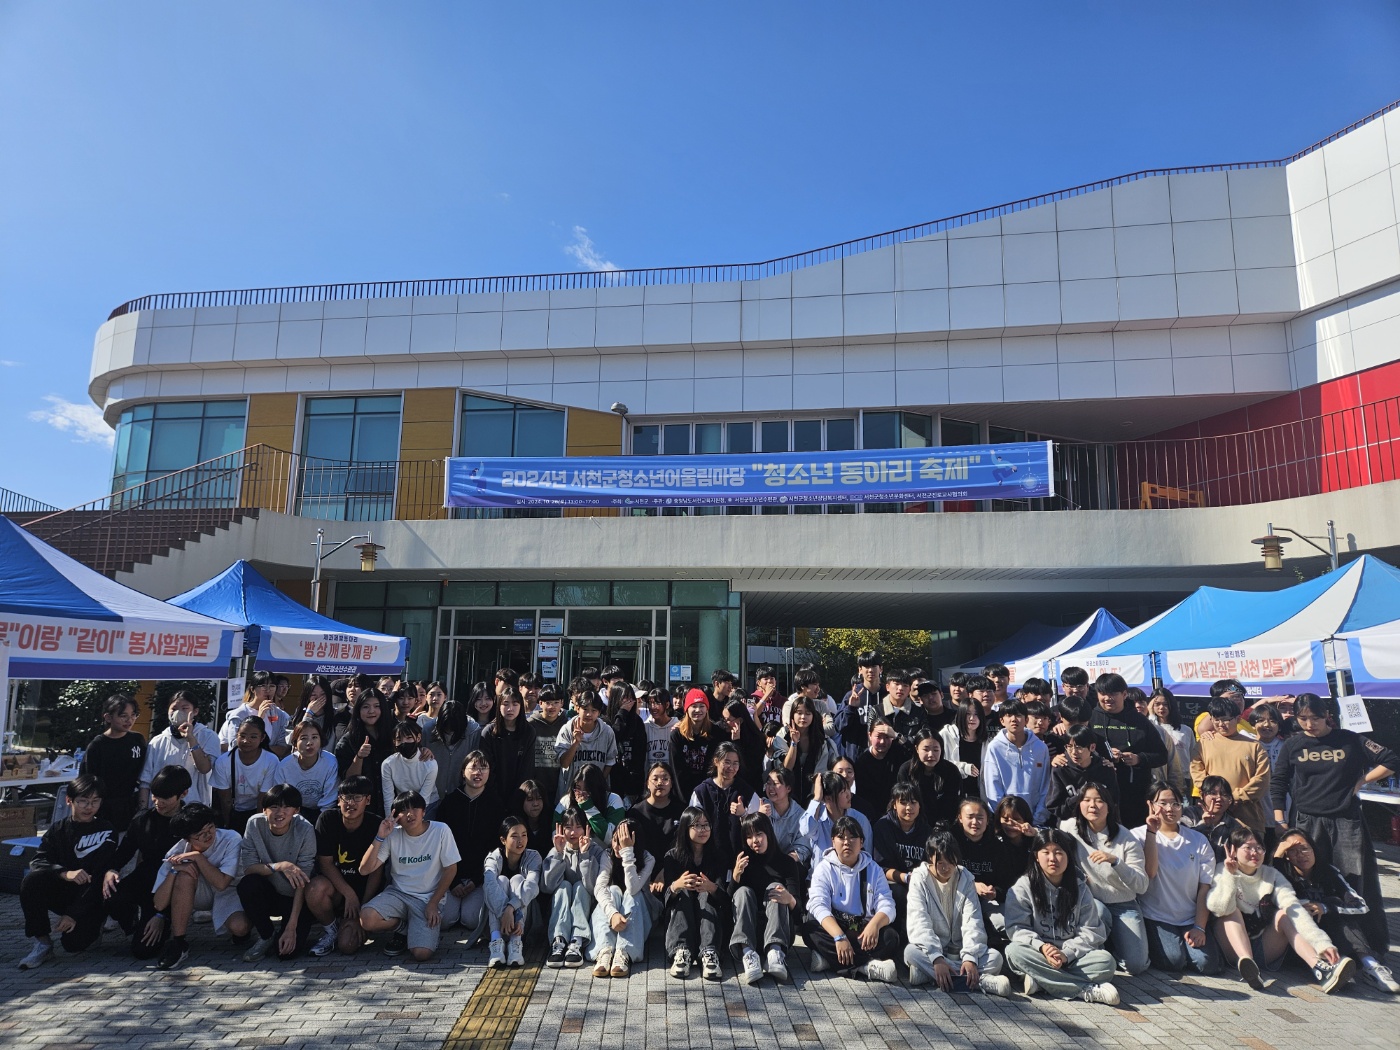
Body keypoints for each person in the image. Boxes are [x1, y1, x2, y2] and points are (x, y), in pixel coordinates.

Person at [1270, 691, 1396, 960]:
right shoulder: (1293, 745)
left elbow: (1390, 760)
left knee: (1353, 882)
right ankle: (1312, 944)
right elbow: (1278, 783)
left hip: (1346, 822)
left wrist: (1362, 781)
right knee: (1307, 879)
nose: (1309, 724)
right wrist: (1280, 820)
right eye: (1303, 718)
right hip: (1305, 821)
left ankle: (1364, 946)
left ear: (1327, 716)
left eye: (1315, 718)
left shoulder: (1349, 740)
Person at [1208, 824, 1351, 993]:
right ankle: (1248, 965)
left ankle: (1320, 969)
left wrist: (1322, 943)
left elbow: (1294, 908)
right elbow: (1219, 908)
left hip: (1263, 946)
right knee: (1232, 911)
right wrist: (1231, 876)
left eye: (1259, 848)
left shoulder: (1272, 875)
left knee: (1284, 914)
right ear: (1233, 850)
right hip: (1233, 949)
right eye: (1248, 847)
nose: (1254, 853)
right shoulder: (1221, 870)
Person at [1273, 827, 1399, 994]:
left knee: (1333, 904)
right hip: (1300, 943)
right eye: (1293, 851)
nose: (1301, 854)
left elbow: (1360, 906)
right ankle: (1330, 967)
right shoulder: (1281, 873)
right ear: (1286, 856)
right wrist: (1277, 855)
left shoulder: (1329, 872)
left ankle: (1371, 966)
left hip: (1335, 934)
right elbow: (1269, 890)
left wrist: (1326, 908)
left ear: (1314, 849)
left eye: (1304, 848)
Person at [1003, 828, 1120, 1004]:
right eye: (1046, 852)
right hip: (1039, 953)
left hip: (1073, 957)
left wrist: (1066, 954)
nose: (1052, 859)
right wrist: (1042, 947)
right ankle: (1084, 990)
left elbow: (1091, 931)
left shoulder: (1080, 888)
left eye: (1059, 852)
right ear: (1036, 856)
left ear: (1068, 856)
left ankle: (1042, 982)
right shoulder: (1022, 887)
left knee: (1106, 962)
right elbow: (1017, 928)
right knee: (1013, 951)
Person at [17, 776, 118, 970]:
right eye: (83, 801)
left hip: (92, 896)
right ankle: (43, 943)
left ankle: (95, 925)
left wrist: (73, 914)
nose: (89, 807)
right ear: (69, 800)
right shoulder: (57, 829)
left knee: (74, 945)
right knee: (31, 881)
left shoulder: (107, 830)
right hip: (64, 890)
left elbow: (99, 876)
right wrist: (64, 873)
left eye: (95, 801)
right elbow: (38, 862)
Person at [905, 826, 1013, 996]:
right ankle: (980, 981)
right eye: (940, 863)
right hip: (934, 950)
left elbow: (973, 921)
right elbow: (918, 920)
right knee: (911, 952)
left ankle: (931, 976)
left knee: (995, 958)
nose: (946, 868)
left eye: (951, 862)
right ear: (930, 859)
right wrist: (936, 958)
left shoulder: (966, 878)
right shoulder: (919, 878)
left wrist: (970, 957)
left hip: (960, 950)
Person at [102, 765, 191, 962]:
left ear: (183, 793)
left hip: (171, 884)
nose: (158, 802)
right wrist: (111, 869)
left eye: (165, 798)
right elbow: (125, 851)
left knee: (143, 952)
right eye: (155, 796)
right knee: (111, 896)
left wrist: (161, 916)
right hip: (145, 876)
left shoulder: (190, 820)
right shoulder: (143, 819)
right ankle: (134, 923)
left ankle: (161, 923)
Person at [359, 791, 461, 963]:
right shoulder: (393, 835)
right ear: (396, 816)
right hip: (398, 894)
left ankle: (416, 931)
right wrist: (380, 836)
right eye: (403, 810)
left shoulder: (441, 830)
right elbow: (364, 869)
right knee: (367, 918)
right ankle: (403, 928)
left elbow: (451, 869)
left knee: (422, 954)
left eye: (415, 808)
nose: (409, 814)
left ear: (424, 810)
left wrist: (433, 903)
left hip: (428, 898)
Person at [1059, 784, 1149, 975]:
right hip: (1091, 902)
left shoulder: (1126, 838)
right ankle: (1097, 955)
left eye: (1100, 800)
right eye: (1087, 800)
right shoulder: (1069, 827)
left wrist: (1116, 862)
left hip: (1124, 905)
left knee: (1136, 966)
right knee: (1098, 911)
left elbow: (1142, 885)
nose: (1093, 805)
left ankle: (1113, 948)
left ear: (1110, 807)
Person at [1133, 782, 1219, 975]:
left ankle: (1186, 946)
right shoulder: (1138, 835)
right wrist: (1152, 832)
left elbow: (1205, 888)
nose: (1169, 809)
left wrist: (1199, 927)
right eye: (1162, 803)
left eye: (1176, 803)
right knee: (1173, 962)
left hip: (1189, 917)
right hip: (1156, 916)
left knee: (1207, 964)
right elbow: (1150, 872)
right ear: (1151, 805)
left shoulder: (1198, 840)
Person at [226, 783, 317, 962]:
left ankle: (287, 930)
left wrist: (291, 927)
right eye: (274, 807)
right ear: (264, 809)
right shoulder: (254, 823)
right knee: (248, 884)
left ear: (296, 811)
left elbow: (302, 881)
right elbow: (249, 867)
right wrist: (280, 865)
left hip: (297, 897)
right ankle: (266, 935)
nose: (279, 813)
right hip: (271, 893)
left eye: (286, 807)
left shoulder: (305, 829)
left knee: (286, 954)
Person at [148, 802, 243, 970]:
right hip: (200, 893)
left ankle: (241, 934)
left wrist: (198, 857)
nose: (208, 836)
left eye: (211, 828)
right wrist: (175, 870)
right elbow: (159, 903)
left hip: (230, 890)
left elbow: (222, 883)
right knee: (183, 875)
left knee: (240, 928)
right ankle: (179, 942)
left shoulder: (231, 838)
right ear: (187, 838)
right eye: (200, 834)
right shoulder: (177, 852)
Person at [805, 815, 899, 982]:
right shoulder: (824, 868)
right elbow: (818, 905)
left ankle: (830, 960)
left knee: (890, 937)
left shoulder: (873, 869)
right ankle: (866, 967)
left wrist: (874, 926)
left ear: (861, 842)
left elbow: (887, 904)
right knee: (809, 929)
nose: (847, 842)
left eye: (852, 837)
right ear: (833, 841)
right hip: (836, 927)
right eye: (841, 837)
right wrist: (839, 937)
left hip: (862, 929)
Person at [307, 776, 383, 957]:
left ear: (368, 800)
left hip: (365, 893)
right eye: (346, 797)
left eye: (358, 797)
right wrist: (349, 894)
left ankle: (349, 927)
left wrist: (362, 908)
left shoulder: (376, 824)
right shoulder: (327, 819)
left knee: (347, 946)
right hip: (337, 890)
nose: (351, 803)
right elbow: (325, 864)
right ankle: (331, 929)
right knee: (314, 888)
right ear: (338, 799)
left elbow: (376, 871)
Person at [436, 751, 504, 946]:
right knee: (445, 920)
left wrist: (476, 880)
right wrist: (453, 881)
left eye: (483, 768)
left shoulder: (495, 804)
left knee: (472, 919)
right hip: (450, 876)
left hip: (478, 878)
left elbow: (495, 848)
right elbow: (439, 846)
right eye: (473, 767)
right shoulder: (449, 803)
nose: (478, 772)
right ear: (462, 772)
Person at [729, 811, 802, 984]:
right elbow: (728, 902)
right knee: (743, 891)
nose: (755, 840)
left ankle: (775, 953)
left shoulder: (787, 863)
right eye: (749, 836)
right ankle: (748, 954)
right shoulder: (743, 862)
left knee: (775, 889)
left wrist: (789, 899)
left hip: (780, 933)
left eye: (759, 834)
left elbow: (800, 911)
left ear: (768, 833)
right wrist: (735, 877)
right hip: (750, 932)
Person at [1088, 673, 1168, 827]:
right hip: (1099, 793)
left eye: (1113, 694)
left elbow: (1162, 755)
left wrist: (1138, 758)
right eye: (1103, 694)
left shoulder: (1140, 721)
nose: (1107, 698)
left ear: (1124, 694)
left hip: (1134, 794)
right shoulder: (1091, 718)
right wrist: (1103, 757)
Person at [663, 806, 729, 980]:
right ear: (686, 829)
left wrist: (711, 887)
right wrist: (676, 885)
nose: (703, 830)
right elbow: (665, 898)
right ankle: (681, 951)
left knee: (706, 894)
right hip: (681, 912)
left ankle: (710, 952)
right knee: (683, 891)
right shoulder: (673, 856)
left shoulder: (718, 856)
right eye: (697, 825)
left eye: (706, 825)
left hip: (709, 911)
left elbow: (725, 896)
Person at [1191, 696, 1272, 836]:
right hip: (1212, 815)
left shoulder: (1254, 746)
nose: (1221, 724)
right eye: (1216, 719)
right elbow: (1196, 772)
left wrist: (1234, 797)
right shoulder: (1203, 744)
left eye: (1226, 719)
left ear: (1238, 719)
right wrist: (1216, 796)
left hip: (1248, 818)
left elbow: (1262, 780)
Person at [589, 819, 655, 978]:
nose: (618, 846)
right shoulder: (608, 855)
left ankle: (624, 952)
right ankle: (605, 950)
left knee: (632, 894)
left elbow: (633, 887)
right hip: (614, 916)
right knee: (612, 890)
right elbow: (599, 886)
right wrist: (612, 913)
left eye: (623, 841)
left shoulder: (647, 859)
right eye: (615, 840)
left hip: (640, 914)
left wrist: (627, 853)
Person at [544, 807, 607, 969]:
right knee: (564, 886)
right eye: (568, 827)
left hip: (587, 908)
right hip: (561, 908)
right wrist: (558, 854)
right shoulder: (557, 849)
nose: (573, 833)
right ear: (561, 829)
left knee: (580, 886)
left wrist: (585, 856)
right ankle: (559, 941)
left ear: (586, 828)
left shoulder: (596, 850)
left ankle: (576, 940)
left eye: (578, 827)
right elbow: (547, 887)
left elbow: (593, 888)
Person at [79, 694, 148, 834]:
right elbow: (88, 781)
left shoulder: (138, 740)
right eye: (123, 716)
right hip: (104, 809)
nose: (129, 720)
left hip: (130, 806)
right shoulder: (97, 745)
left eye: (133, 715)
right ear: (108, 717)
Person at [483, 815, 542, 969]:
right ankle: (496, 943)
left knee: (517, 879)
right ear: (503, 840)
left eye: (524, 835)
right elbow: (489, 885)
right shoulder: (493, 858)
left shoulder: (533, 857)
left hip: (522, 923)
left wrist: (511, 909)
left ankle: (516, 942)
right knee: (500, 880)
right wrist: (505, 913)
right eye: (514, 836)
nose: (520, 841)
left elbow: (532, 886)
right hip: (497, 922)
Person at [141, 691, 219, 807]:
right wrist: (143, 809)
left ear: (195, 711)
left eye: (184, 708)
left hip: (192, 807)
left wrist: (191, 739)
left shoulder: (207, 736)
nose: (178, 712)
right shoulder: (158, 741)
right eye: (174, 708)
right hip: (160, 808)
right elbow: (145, 780)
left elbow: (204, 768)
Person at [872, 781, 930, 928]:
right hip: (891, 881)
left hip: (919, 881)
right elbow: (881, 868)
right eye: (903, 803)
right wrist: (906, 877)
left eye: (913, 802)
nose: (909, 807)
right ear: (894, 805)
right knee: (899, 894)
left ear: (919, 805)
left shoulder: (926, 830)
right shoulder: (883, 827)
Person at [982, 701, 1051, 824]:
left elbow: (1045, 785)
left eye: (1018, 715)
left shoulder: (1040, 748)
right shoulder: (994, 747)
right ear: (1002, 720)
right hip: (1006, 821)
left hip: (1036, 819)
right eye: (1009, 715)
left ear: (1026, 719)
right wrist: (1004, 818)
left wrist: (1039, 818)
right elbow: (992, 786)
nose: (1014, 719)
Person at [210, 715, 280, 833]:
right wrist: (227, 825)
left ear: (262, 738)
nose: (246, 741)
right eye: (242, 736)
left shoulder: (271, 760)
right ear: (236, 734)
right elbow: (225, 799)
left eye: (253, 737)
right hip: (232, 811)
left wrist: (256, 827)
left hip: (259, 811)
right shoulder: (223, 761)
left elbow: (263, 798)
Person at [689, 741, 753, 867]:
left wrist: (743, 814)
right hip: (708, 861)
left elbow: (757, 826)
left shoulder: (746, 791)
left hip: (739, 861)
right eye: (727, 762)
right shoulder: (701, 791)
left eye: (735, 763)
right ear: (716, 761)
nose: (731, 767)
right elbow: (691, 825)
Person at [333, 689, 396, 815]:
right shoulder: (348, 740)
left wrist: (423, 750)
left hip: (392, 803)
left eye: (376, 706)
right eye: (365, 707)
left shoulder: (393, 734)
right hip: (362, 809)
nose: (371, 711)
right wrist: (359, 756)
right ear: (358, 710)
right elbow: (347, 779)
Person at [950, 798, 1005, 941]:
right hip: (955, 896)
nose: (975, 822)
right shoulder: (949, 842)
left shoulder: (997, 846)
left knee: (1004, 923)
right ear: (960, 818)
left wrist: (994, 893)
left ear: (988, 820)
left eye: (980, 818)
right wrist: (972, 885)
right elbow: (941, 875)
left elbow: (1005, 883)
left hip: (987, 901)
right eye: (970, 817)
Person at [769, 695, 837, 807]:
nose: (803, 717)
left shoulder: (820, 740)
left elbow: (820, 773)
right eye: (799, 713)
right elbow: (786, 769)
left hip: (812, 795)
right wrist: (794, 743)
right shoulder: (782, 736)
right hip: (785, 794)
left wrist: (814, 800)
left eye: (808, 713)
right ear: (792, 715)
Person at [1045, 723, 1119, 822]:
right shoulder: (1061, 769)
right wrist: (1080, 797)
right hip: (1071, 822)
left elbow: (1114, 802)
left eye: (1079, 747)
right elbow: (1054, 806)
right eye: (1069, 746)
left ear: (1092, 747)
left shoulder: (1105, 768)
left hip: (1100, 822)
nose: (1073, 752)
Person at [668, 689, 729, 802]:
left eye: (702, 706)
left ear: (707, 708)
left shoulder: (716, 733)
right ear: (687, 709)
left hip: (709, 793)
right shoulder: (677, 735)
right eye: (694, 706)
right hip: (682, 795)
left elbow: (715, 768)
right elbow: (677, 770)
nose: (698, 710)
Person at [555, 690, 618, 797]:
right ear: (577, 708)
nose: (589, 714)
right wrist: (575, 743)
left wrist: (599, 784)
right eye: (585, 709)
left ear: (599, 712)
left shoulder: (607, 732)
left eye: (593, 710)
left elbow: (610, 761)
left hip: (597, 792)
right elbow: (564, 763)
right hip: (571, 791)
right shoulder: (567, 729)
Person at [748, 766, 812, 869]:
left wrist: (786, 861)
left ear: (788, 788)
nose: (771, 788)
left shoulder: (800, 815)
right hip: (762, 861)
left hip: (788, 863)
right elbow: (748, 836)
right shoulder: (760, 805)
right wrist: (759, 817)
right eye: (768, 783)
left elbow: (803, 846)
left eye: (776, 784)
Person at [480, 688, 536, 804]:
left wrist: (518, 796)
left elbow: (527, 769)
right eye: (505, 704)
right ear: (499, 706)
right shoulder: (488, 732)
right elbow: (486, 767)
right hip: (492, 796)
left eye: (515, 704)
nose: (510, 709)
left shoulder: (529, 732)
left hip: (520, 796)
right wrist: (495, 796)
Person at [276, 721, 340, 822]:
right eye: (303, 738)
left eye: (314, 737)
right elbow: (281, 795)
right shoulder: (285, 765)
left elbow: (330, 797)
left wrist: (321, 819)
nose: (309, 742)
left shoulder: (330, 762)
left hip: (323, 812)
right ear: (295, 743)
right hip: (293, 812)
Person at [852, 717, 912, 822]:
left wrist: (897, 736)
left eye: (887, 737)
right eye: (878, 737)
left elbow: (915, 756)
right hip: (873, 816)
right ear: (870, 735)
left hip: (898, 812)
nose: (882, 741)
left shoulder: (897, 753)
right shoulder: (862, 762)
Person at [627, 762, 684, 872]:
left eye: (665, 779)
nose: (660, 783)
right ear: (647, 783)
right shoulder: (636, 812)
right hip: (642, 872)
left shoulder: (681, 811)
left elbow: (684, 848)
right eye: (655, 779)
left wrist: (665, 871)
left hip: (674, 871)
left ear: (672, 783)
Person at [806, 770, 873, 864]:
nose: (848, 795)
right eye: (842, 792)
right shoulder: (817, 816)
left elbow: (867, 855)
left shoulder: (859, 819)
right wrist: (817, 798)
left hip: (852, 874)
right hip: (822, 876)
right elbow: (806, 830)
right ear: (827, 798)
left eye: (848, 789)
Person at [897, 729, 961, 825]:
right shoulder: (906, 770)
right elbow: (904, 802)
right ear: (917, 749)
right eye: (926, 749)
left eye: (935, 750)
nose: (931, 754)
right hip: (914, 824)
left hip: (943, 825)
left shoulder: (951, 771)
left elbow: (952, 805)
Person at [379, 719, 440, 818]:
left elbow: (425, 797)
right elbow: (388, 796)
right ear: (394, 742)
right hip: (402, 805)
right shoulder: (388, 764)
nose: (404, 742)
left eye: (409, 738)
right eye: (399, 740)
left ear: (418, 738)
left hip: (428, 805)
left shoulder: (430, 764)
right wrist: (390, 820)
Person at [426, 700, 481, 808]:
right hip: (431, 796)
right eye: (447, 730)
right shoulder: (428, 729)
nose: (450, 732)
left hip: (460, 794)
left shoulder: (473, 731)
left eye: (453, 730)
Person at [604, 683, 649, 807]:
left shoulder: (637, 722)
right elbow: (613, 737)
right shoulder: (605, 721)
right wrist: (622, 713)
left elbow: (640, 754)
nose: (629, 701)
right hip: (611, 780)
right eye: (625, 697)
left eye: (631, 697)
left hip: (632, 781)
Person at [1148, 687, 1194, 796]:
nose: (1161, 708)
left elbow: (1192, 755)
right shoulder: (1150, 727)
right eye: (1157, 704)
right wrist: (1150, 714)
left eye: (1165, 704)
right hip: (1159, 778)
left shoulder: (1185, 730)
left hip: (1183, 778)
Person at [528, 687, 568, 808]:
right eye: (548, 703)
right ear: (540, 703)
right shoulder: (530, 725)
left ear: (562, 703)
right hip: (536, 783)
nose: (552, 707)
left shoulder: (567, 724)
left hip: (560, 783)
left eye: (556, 702)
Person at [940, 698, 989, 797]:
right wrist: (964, 767)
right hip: (952, 793)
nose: (972, 718)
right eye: (968, 714)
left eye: (976, 714)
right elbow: (940, 763)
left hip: (978, 794)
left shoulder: (986, 741)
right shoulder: (947, 734)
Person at [721, 699, 766, 790]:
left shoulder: (755, 738)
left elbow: (748, 767)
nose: (725, 723)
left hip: (749, 786)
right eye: (724, 719)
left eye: (728, 720)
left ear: (740, 720)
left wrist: (736, 742)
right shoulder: (723, 732)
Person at [514, 780, 553, 860]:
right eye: (530, 799)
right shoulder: (514, 824)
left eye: (539, 798)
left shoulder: (551, 821)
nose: (535, 804)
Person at [643, 688, 677, 767]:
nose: (653, 707)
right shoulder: (645, 727)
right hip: (650, 777)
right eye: (650, 703)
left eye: (657, 703)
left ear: (667, 705)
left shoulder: (677, 726)